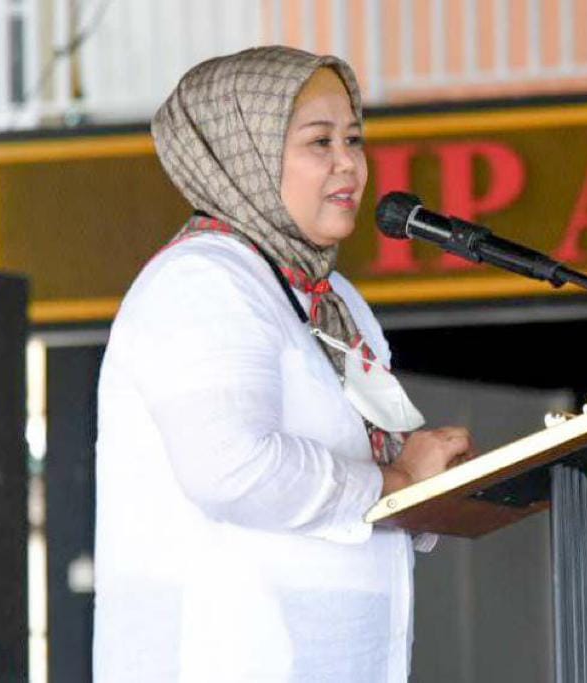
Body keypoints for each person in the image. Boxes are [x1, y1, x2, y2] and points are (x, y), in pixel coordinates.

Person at [92, 45, 474, 682]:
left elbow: (389, 464)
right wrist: (397, 482)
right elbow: (232, 470)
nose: (348, 163)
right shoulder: (203, 282)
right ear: (243, 151)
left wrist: (434, 478)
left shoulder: (332, 298)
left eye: (354, 139)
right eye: (320, 142)